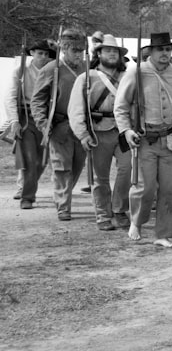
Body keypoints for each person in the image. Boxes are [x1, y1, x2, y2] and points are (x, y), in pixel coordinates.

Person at [114, 32, 172, 248]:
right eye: (161, 50)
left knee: (169, 189)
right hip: (144, 140)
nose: (165, 53)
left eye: (168, 49)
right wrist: (126, 131)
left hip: (170, 139)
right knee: (144, 187)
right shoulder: (136, 73)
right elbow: (120, 107)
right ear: (151, 51)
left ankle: (163, 235)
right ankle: (137, 221)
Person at [68, 34, 131, 230]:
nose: (112, 54)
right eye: (108, 50)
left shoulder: (128, 77)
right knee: (100, 177)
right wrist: (83, 134)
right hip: (98, 132)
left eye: (115, 51)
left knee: (127, 170)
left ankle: (120, 209)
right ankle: (103, 214)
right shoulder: (86, 78)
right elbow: (76, 109)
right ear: (99, 53)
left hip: (123, 130)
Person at [31, 29, 88, 221]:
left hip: (82, 127)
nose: (79, 54)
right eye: (75, 50)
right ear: (64, 49)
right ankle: (63, 205)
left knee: (77, 166)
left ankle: (63, 196)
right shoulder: (51, 69)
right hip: (60, 126)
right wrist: (43, 123)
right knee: (62, 167)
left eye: (81, 50)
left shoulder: (86, 69)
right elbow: (38, 100)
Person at [4, 39, 55, 210]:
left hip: (45, 120)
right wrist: (14, 121)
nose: (43, 57)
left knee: (42, 161)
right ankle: (27, 197)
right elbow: (10, 98)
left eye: (46, 54)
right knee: (29, 160)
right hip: (26, 119)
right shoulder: (20, 72)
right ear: (31, 53)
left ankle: (29, 187)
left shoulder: (52, 72)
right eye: (40, 53)